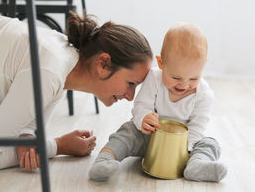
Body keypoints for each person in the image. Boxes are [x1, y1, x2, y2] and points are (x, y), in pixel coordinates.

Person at [0, 0, 153, 171]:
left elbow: (28, 128)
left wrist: (27, 138)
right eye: (130, 83)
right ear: (103, 63)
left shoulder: (64, 65)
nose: (130, 96)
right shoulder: (50, 71)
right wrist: (58, 146)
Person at [89, 22, 227, 182]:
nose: (184, 85)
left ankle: (196, 165)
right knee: (126, 133)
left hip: (182, 145)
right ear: (161, 64)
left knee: (210, 144)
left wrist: (185, 151)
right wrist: (144, 119)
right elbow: (141, 105)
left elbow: (198, 125)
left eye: (194, 78)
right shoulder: (154, 78)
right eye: (176, 78)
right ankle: (105, 160)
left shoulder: (204, 94)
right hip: (148, 136)